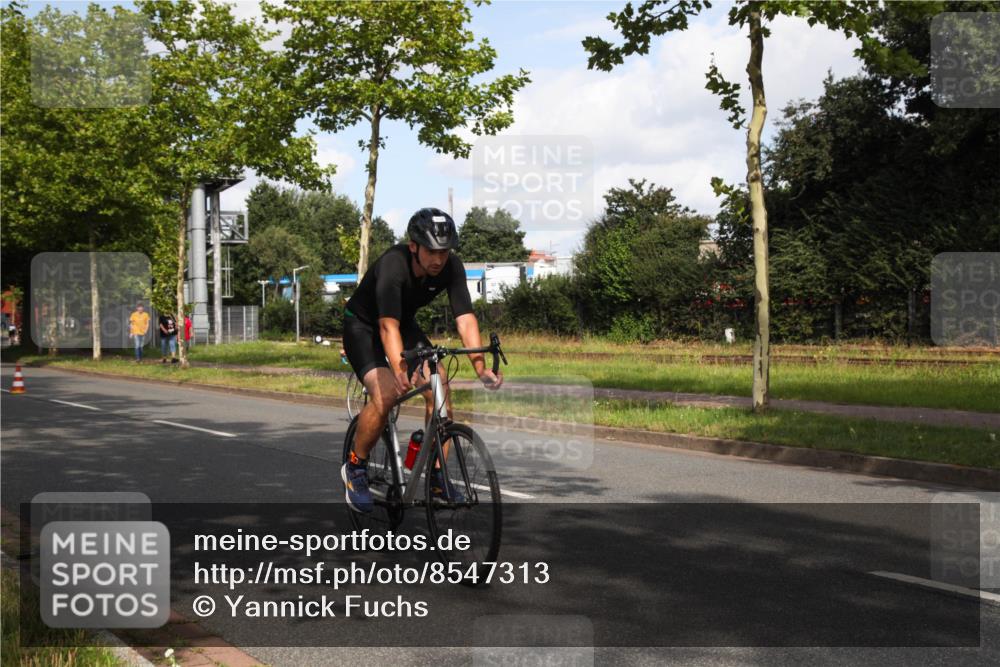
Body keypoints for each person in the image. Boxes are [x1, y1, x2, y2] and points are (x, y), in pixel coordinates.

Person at [341, 207, 503, 513]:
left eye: (444, 251)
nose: (439, 259)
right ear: (414, 246)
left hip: (402, 325)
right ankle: (356, 466)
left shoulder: (451, 267)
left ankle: (437, 476)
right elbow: (386, 327)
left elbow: (465, 319)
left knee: (440, 385)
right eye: (431, 251)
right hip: (363, 326)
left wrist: (480, 367)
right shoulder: (394, 264)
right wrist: (400, 368)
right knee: (386, 394)